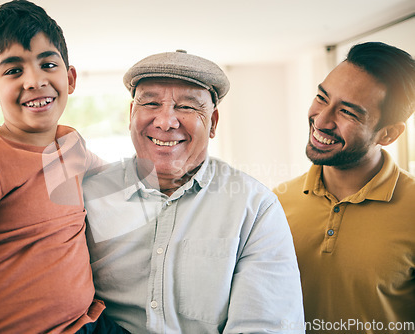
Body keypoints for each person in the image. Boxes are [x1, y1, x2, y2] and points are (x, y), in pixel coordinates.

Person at [0, 1, 128, 333]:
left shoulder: (70, 145)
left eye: (48, 64)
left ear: (70, 78)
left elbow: (118, 178)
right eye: (14, 70)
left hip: (89, 323)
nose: (34, 80)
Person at [82, 50, 305, 333]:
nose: (165, 122)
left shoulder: (255, 207)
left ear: (213, 123)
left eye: (187, 107)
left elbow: (266, 326)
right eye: (150, 103)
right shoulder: (88, 196)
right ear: (131, 115)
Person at [274, 42, 415, 333]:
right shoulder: (274, 203)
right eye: (322, 97)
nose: (321, 120)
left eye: (348, 113)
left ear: (388, 134)